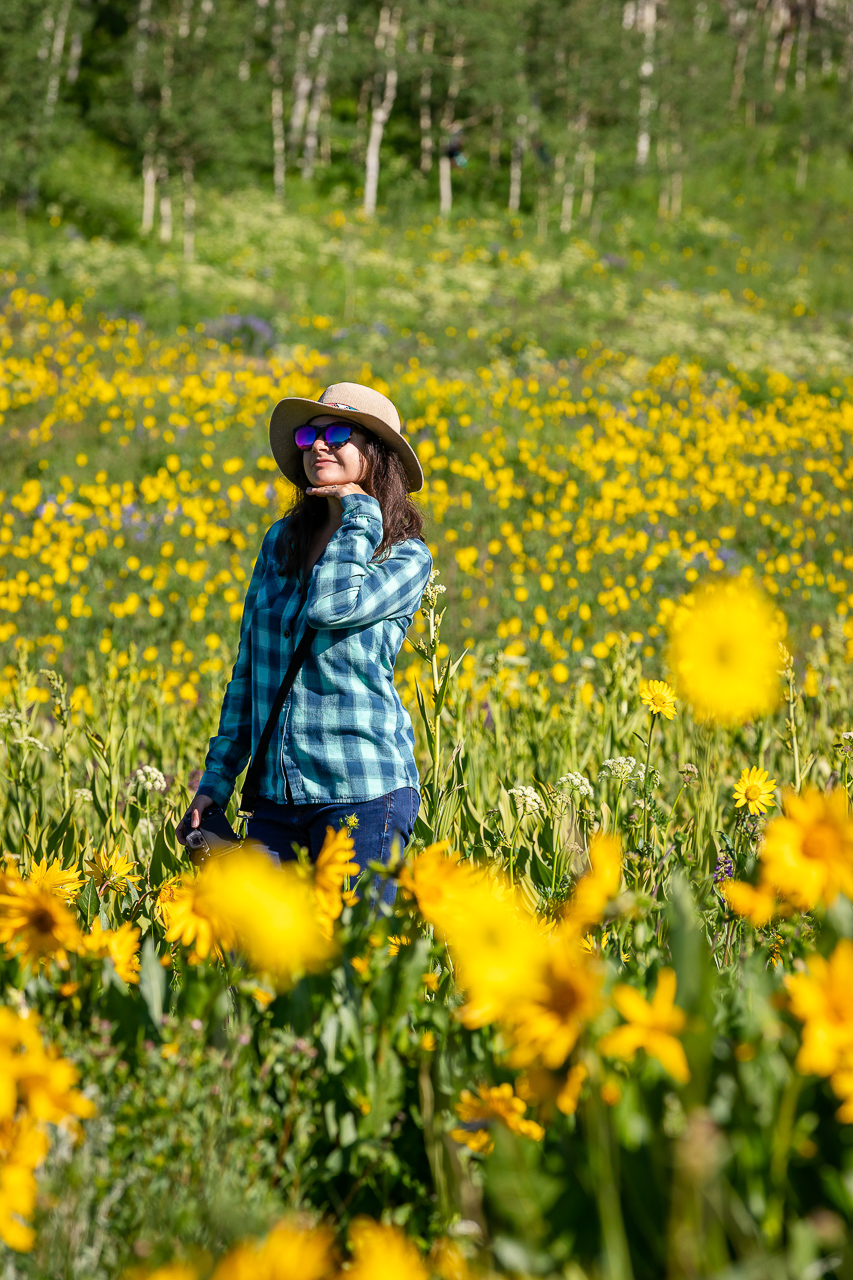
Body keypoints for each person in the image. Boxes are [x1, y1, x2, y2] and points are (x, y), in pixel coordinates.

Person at [175, 381, 432, 903]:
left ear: (375, 455)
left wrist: (358, 513)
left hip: (363, 793)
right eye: (309, 434)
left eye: (337, 432)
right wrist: (216, 779)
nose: (318, 444)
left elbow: (331, 607)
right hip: (275, 796)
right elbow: (250, 669)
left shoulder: (406, 557)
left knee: (351, 968)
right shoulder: (280, 542)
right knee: (266, 965)